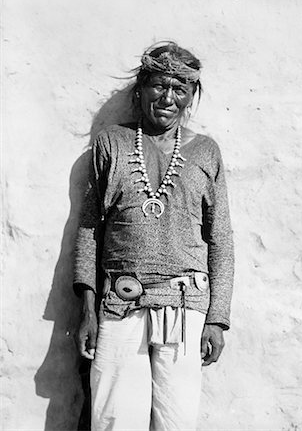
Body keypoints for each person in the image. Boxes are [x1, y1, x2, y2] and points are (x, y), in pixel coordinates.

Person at [74, 41, 234, 431]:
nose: (168, 98)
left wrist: (217, 319)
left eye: (180, 89)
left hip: (185, 304)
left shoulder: (206, 152)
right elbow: (89, 228)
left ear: (191, 96)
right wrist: (88, 309)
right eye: (159, 85)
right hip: (119, 301)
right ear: (141, 89)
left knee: (177, 421)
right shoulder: (112, 142)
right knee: (114, 418)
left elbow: (221, 239)